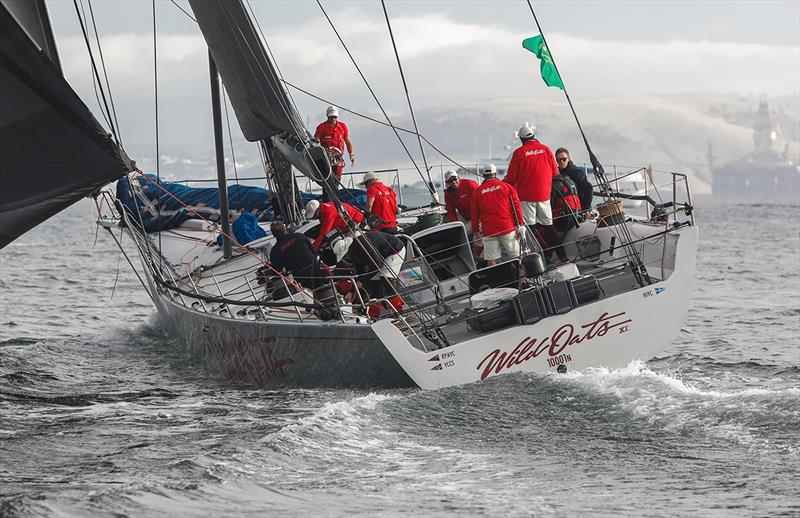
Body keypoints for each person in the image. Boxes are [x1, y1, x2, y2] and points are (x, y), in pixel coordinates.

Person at [504, 125, 567, 263]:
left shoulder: (519, 153)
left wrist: (501, 184)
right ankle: (563, 257)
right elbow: (555, 173)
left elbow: (512, 178)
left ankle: (533, 262)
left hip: (526, 198)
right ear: (533, 136)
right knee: (549, 227)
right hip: (544, 196)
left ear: (521, 139)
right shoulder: (546, 149)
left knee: (530, 230)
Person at [470, 163, 525, 266]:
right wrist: (520, 225)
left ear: (483, 175)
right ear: (495, 173)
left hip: (489, 231)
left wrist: (476, 233)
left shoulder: (477, 192)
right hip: (507, 228)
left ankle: (495, 281)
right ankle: (523, 280)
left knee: (491, 261)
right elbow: (517, 207)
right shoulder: (507, 187)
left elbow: (474, 215)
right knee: (517, 257)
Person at [268, 220, 317, 287]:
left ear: (273, 234)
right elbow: (313, 251)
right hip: (316, 269)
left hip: (300, 278)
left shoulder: (275, 250)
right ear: (285, 229)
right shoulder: (299, 236)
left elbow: (277, 270)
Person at [313, 106, 354, 182]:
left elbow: (347, 141)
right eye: (331, 117)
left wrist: (351, 154)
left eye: (334, 117)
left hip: (338, 159)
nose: (333, 119)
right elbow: (315, 141)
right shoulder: (321, 127)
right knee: (327, 180)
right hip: (326, 158)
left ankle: (335, 192)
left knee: (337, 180)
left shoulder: (342, 126)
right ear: (327, 116)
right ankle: (327, 193)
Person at [555, 147, 593, 212]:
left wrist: (586, 208)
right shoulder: (556, 174)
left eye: (564, 159)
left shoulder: (577, 173)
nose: (561, 162)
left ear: (568, 159)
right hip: (562, 208)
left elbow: (589, 189)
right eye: (558, 160)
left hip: (577, 208)